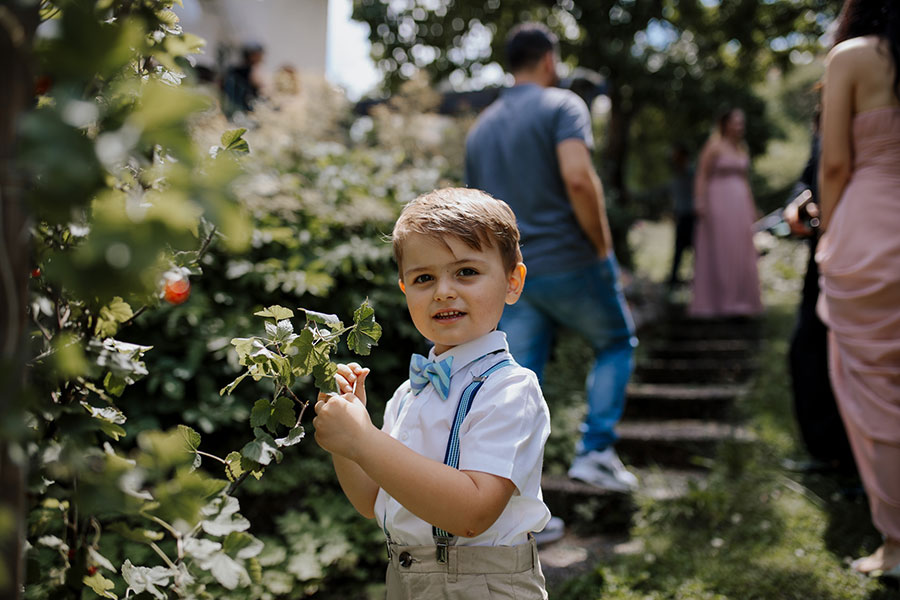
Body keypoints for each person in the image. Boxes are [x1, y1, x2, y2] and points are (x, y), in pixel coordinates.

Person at [313, 188, 551, 598]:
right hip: (406, 578)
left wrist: (364, 440)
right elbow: (371, 502)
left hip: (482, 584)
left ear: (512, 282)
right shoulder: (409, 392)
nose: (443, 291)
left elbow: (472, 514)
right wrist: (348, 440)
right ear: (405, 289)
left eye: (466, 272)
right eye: (424, 278)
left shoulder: (510, 389)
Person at [464, 23, 639, 496]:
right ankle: (596, 452)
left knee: (515, 385)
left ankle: (516, 502)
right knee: (616, 342)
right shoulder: (563, 105)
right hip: (571, 262)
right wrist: (603, 250)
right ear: (548, 60)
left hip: (514, 277)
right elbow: (580, 180)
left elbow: (476, 212)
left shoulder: (480, 131)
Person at [815, 0, 900, 578]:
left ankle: (896, 545)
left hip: (873, 232)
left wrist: (829, 234)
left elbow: (836, 165)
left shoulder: (854, 57)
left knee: (877, 397)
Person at [782, 113, 856, 475]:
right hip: (821, 250)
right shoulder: (825, 118)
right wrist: (798, 203)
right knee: (806, 349)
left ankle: (858, 460)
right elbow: (810, 175)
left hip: (860, 244)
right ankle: (829, 450)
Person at [690, 108, 764, 317]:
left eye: (742, 122)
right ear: (725, 124)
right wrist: (699, 201)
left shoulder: (742, 148)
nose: (740, 126)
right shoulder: (714, 147)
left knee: (740, 249)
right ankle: (720, 301)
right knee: (723, 248)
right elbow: (702, 175)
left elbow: (745, 181)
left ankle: (740, 301)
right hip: (718, 202)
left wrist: (751, 207)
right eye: (736, 122)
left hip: (739, 204)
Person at [667, 144, 695, 289]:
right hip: (682, 215)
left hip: (692, 216)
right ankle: (674, 278)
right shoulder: (677, 174)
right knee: (679, 248)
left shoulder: (691, 173)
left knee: (694, 247)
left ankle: (695, 278)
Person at [222, 43, 265, 118]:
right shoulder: (245, 71)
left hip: (238, 109)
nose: (261, 58)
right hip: (241, 109)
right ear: (251, 56)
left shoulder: (234, 70)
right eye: (259, 55)